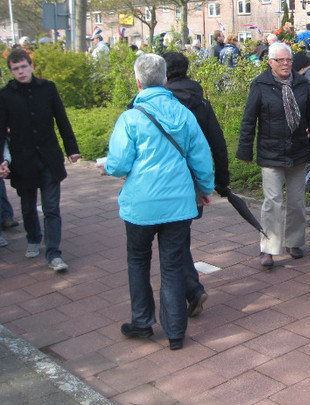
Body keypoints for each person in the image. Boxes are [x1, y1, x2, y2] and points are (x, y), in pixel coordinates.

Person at [100, 53, 214, 350]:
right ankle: (176, 331)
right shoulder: (184, 114)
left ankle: (142, 322)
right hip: (178, 204)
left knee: (138, 261)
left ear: (137, 82)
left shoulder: (131, 117)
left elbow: (119, 164)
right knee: (173, 265)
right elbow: (201, 157)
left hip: (140, 206)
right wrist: (204, 188)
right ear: (165, 80)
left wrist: (109, 167)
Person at [161, 51, 231, 318]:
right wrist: (221, 182)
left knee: (173, 242)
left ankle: (189, 290)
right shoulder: (200, 102)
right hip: (193, 183)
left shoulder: (160, 103)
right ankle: (190, 289)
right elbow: (218, 143)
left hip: (164, 181)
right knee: (179, 237)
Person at [236, 42, 310, 269]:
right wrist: (245, 150)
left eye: (288, 60)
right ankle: (269, 248)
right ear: (270, 62)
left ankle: (294, 242)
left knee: (296, 201)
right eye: (280, 60)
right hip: (270, 152)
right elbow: (249, 119)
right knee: (272, 201)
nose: (285, 64)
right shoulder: (260, 85)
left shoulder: (302, 84)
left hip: (298, 150)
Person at [0, 49, 81, 271]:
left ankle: (54, 253)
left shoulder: (48, 88)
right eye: (15, 69)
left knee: (51, 207)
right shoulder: (5, 96)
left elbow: (62, 120)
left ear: (31, 66)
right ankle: (33, 237)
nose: (21, 71)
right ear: (11, 71)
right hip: (22, 160)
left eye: (24, 66)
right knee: (27, 207)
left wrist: (72, 149)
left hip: (48, 158)